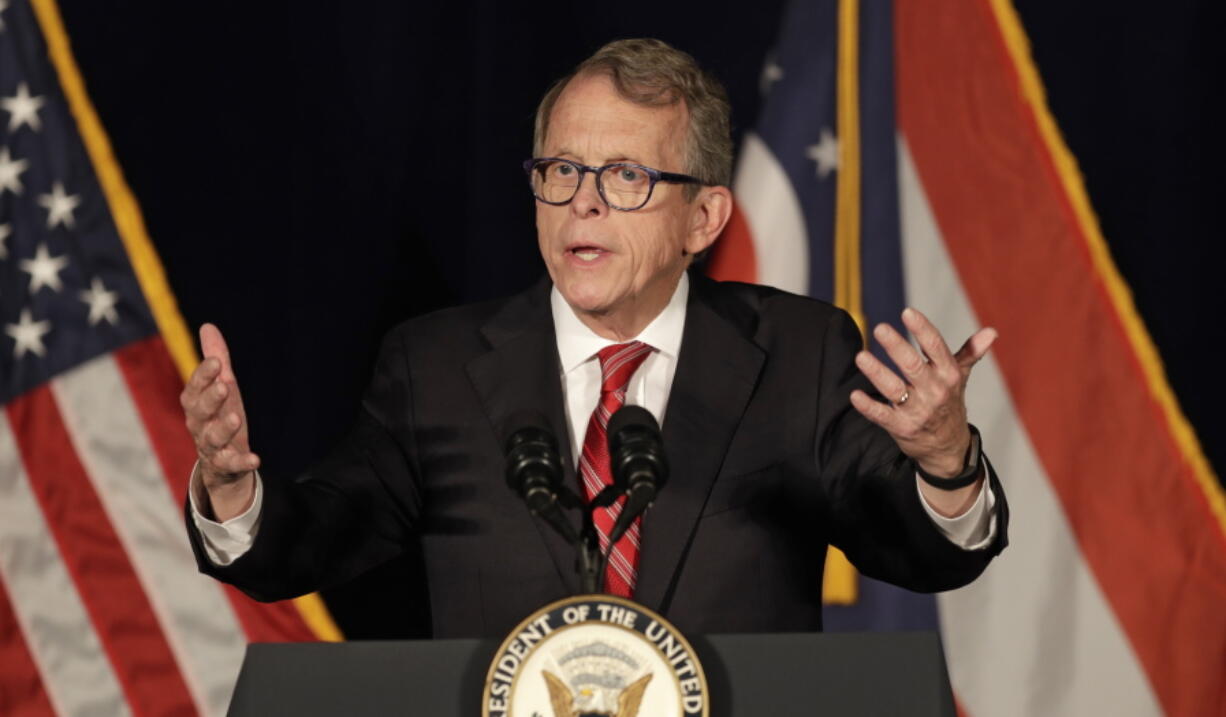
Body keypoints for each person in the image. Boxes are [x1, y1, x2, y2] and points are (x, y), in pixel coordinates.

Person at [182, 39, 1007, 638]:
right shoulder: (433, 366)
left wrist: (944, 461)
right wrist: (231, 491)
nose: (584, 202)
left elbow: (914, 549)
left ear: (704, 217)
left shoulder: (799, 351)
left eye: (626, 176)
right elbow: (314, 538)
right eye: (561, 171)